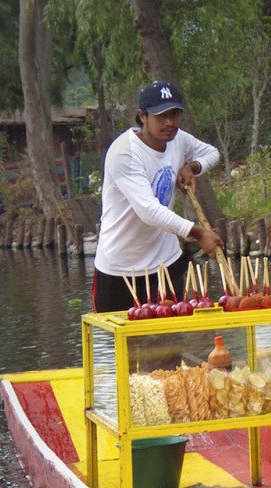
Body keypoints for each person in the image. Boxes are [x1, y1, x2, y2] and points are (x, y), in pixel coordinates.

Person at [92, 80, 224, 313]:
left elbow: (212, 153)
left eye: (175, 114)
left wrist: (191, 167)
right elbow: (149, 211)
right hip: (121, 268)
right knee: (120, 345)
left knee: (169, 344)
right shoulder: (124, 153)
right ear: (142, 116)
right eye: (161, 115)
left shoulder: (178, 139)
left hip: (166, 262)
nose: (170, 122)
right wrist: (198, 232)